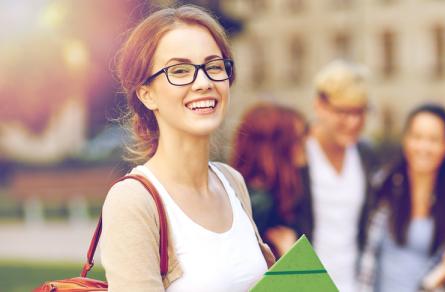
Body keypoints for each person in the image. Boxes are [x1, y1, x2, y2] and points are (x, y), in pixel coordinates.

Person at [100, 5, 274, 291]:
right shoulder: (132, 201)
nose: (204, 82)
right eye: (180, 71)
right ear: (147, 94)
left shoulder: (232, 182)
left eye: (214, 66)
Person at [358, 103, 445, 292]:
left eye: (433, 140)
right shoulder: (380, 189)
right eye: (417, 137)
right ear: (405, 140)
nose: (423, 147)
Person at [297, 60, 379, 292]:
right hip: (304, 284)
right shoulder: (297, 152)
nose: (353, 122)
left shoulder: (365, 155)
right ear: (319, 106)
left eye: (360, 112)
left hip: (353, 285)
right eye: (343, 112)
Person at [231, 103, 308, 257]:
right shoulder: (259, 203)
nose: (305, 144)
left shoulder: (279, 191)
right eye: (298, 139)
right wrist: (292, 255)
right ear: (276, 146)